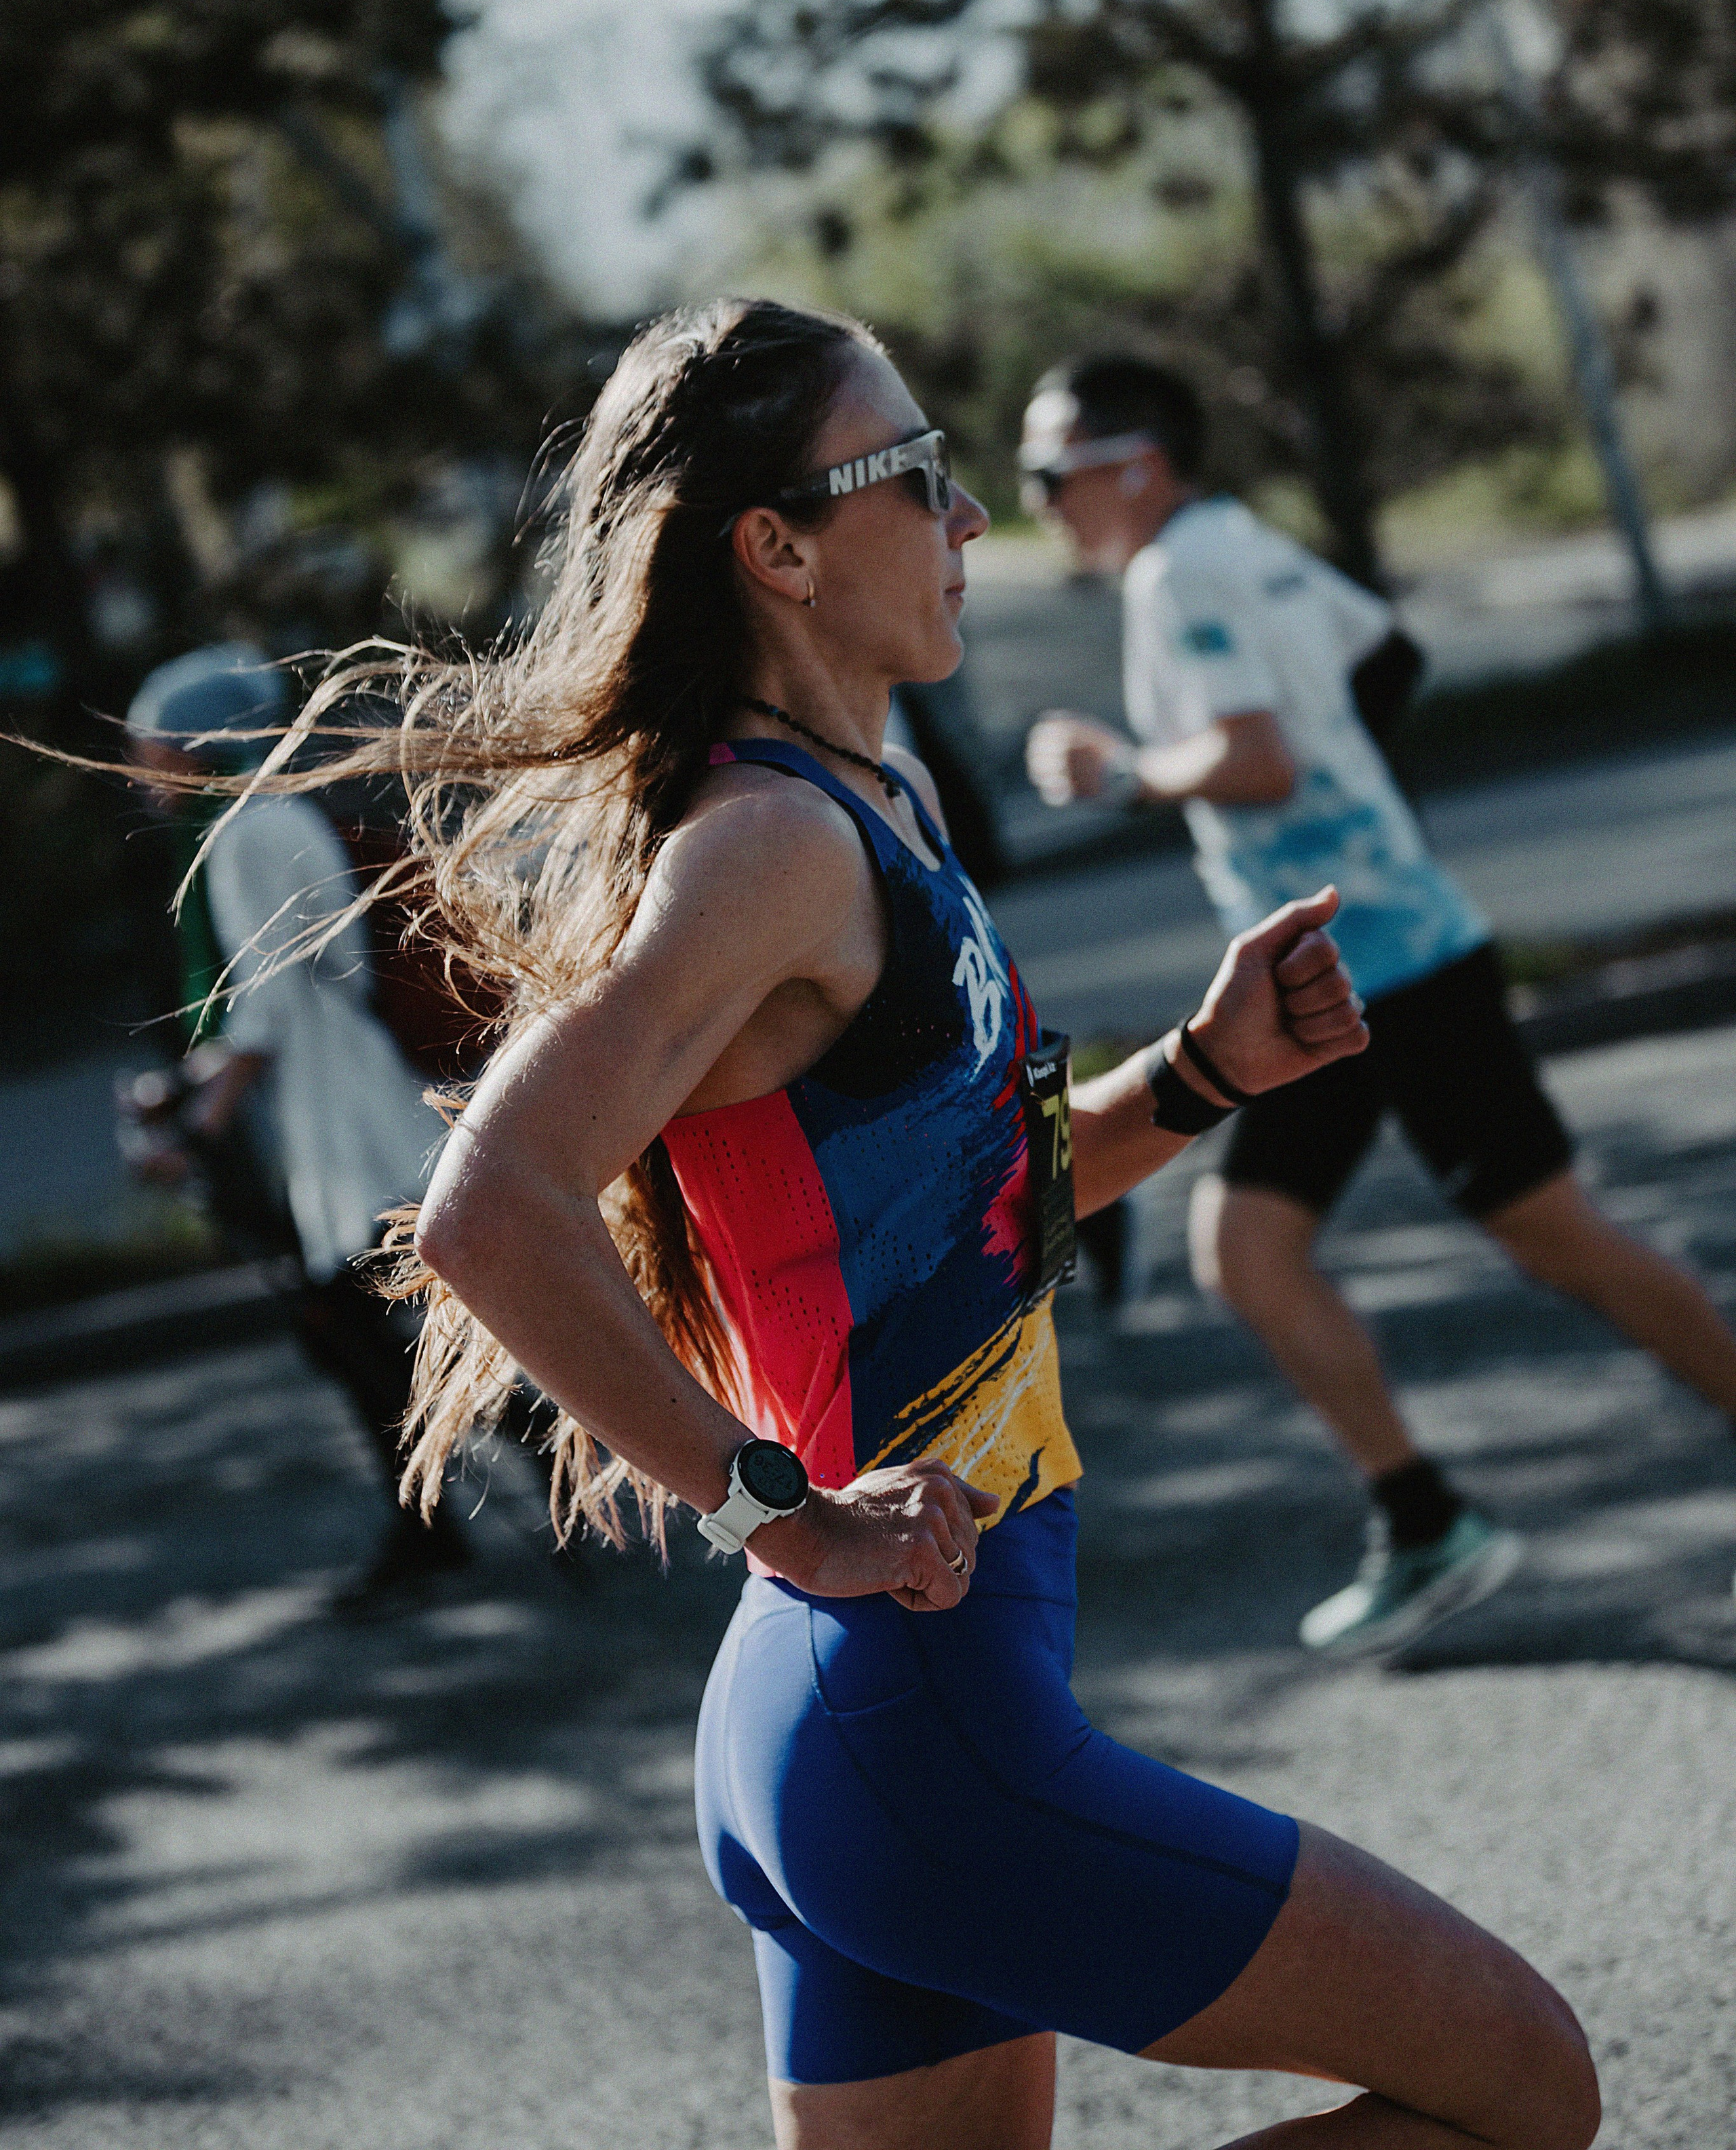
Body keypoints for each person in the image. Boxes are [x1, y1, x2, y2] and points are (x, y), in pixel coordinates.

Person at [215, 300, 1598, 2149]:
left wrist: (1199, 1070)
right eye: (921, 476)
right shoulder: (765, 847)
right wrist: (772, 1510)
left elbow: (984, 1214)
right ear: (777, 547)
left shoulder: (881, 798)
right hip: (917, 1724)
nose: (967, 523)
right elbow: (490, 1209)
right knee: (1522, 2086)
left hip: (869, 1717)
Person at [1023, 351, 1736, 1660]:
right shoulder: (1243, 544)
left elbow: (1259, 754)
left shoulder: (1181, 572)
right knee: (1249, 1247)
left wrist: (1127, 774)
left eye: (1052, 471)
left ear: (1140, 462)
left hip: (1381, 969)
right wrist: (1345, 812)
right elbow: (1387, 657)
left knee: (1556, 1239)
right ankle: (1423, 1521)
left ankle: (1427, 1520)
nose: (1039, 500)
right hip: (1339, 964)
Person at [126, 644, 471, 1615]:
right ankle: (446, 1505)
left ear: (198, 748)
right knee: (374, 1324)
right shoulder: (272, 815)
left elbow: (271, 1008)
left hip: (345, 1118)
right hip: (354, 1102)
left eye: (155, 751)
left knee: (356, 1325)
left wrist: (204, 1112)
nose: (146, 772)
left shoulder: (239, 834)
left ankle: (459, 1500)